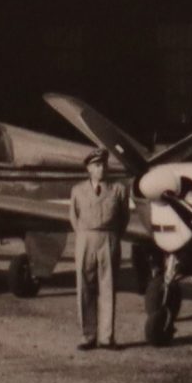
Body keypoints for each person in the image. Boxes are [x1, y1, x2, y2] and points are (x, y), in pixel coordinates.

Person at [68, 148, 131, 350]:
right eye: (96, 165)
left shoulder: (119, 190)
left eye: (103, 164)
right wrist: (84, 236)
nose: (101, 168)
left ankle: (106, 337)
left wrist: (112, 236)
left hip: (109, 238)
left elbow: (124, 218)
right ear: (88, 168)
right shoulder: (77, 190)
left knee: (108, 287)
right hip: (85, 238)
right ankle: (88, 336)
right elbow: (73, 217)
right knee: (84, 287)